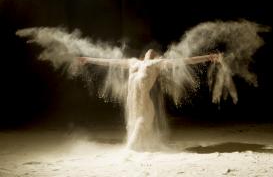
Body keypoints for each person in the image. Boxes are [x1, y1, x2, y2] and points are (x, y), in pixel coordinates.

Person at [77, 49, 220, 150]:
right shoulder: (132, 62)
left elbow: (184, 61)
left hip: (143, 99)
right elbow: (110, 62)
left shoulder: (157, 64)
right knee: (135, 123)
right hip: (131, 100)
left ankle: (131, 148)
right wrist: (87, 60)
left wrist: (207, 57)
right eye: (150, 51)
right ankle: (137, 146)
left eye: (155, 53)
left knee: (142, 122)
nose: (151, 51)